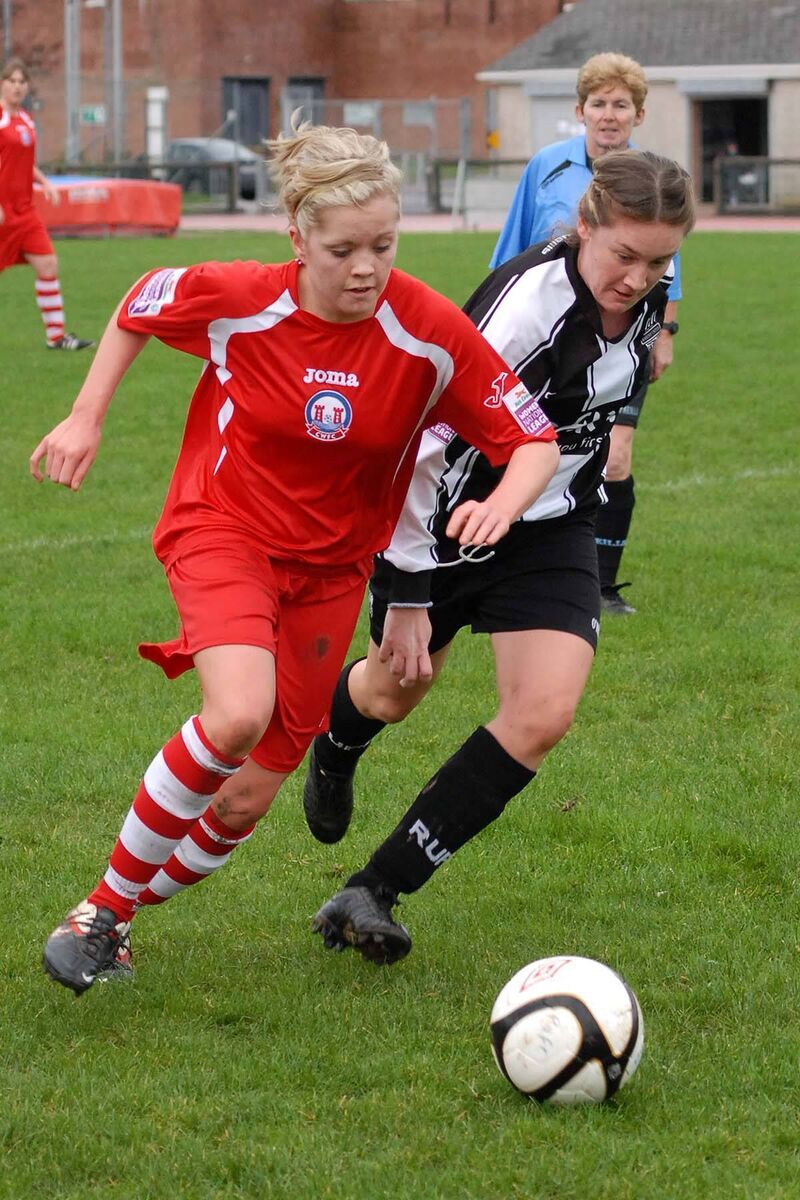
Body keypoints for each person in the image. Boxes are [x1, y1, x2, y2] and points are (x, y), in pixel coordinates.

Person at [31, 118, 559, 995]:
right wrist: (87, 415)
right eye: (343, 248)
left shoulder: (426, 330)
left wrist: (503, 501)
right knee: (236, 714)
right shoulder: (243, 297)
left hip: (333, 572)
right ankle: (100, 914)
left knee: (239, 804)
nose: (366, 267)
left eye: (383, 245)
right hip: (223, 528)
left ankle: (127, 911)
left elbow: (531, 437)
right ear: (297, 237)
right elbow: (138, 302)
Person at [301, 149, 695, 964]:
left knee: (543, 715)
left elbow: (619, 381)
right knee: (395, 691)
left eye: (659, 261)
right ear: (585, 226)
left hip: (551, 528)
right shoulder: (525, 312)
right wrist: (408, 583)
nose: (638, 277)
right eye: (623, 255)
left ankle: (372, 888)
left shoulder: (648, 301)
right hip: (444, 522)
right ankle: (334, 750)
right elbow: (417, 444)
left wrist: (618, 434)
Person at [491, 52, 683, 616]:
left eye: (620, 104)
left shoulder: (656, 178)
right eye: (598, 103)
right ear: (580, 111)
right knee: (534, 449)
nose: (608, 115)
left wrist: (666, 330)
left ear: (637, 115)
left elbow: (666, 265)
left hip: (627, 338)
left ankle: (599, 584)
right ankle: (504, 556)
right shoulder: (547, 166)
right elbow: (512, 250)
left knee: (613, 456)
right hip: (550, 340)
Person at [0, 58, 93, 350]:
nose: (17, 86)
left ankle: (56, 337)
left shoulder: (26, 120)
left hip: (24, 211)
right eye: (11, 81)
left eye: (21, 81)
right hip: (2, 211)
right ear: (2, 84)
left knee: (48, 264)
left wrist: (46, 183)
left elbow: (22, 163)